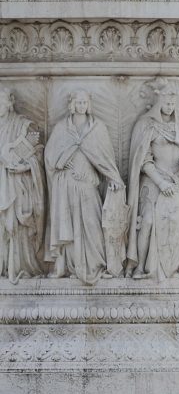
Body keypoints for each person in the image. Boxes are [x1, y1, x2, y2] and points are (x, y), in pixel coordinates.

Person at [44, 89, 123, 285]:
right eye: (78, 102)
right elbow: (50, 157)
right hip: (67, 185)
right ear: (72, 104)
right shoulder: (62, 128)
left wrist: (112, 178)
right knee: (68, 226)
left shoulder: (97, 128)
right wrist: (62, 161)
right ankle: (69, 266)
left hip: (88, 184)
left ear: (89, 104)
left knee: (92, 224)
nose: (81, 106)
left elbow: (105, 159)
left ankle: (98, 264)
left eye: (84, 102)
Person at [127, 78, 179, 281]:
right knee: (148, 222)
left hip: (176, 182)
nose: (169, 108)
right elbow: (142, 159)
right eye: (166, 104)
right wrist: (160, 182)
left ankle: (173, 268)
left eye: (172, 104)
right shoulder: (146, 124)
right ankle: (140, 266)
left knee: (178, 224)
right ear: (159, 103)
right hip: (153, 181)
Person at [0, 87, 45, 285]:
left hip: (17, 184)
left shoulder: (23, 126)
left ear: (10, 103)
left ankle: (19, 267)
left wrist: (25, 166)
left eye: (1, 101)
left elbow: (37, 154)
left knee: (15, 226)